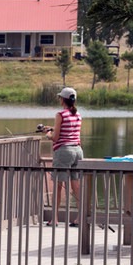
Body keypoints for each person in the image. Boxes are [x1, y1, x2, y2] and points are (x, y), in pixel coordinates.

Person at [37, 86, 83, 221]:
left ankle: (55, 218)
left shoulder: (60, 114)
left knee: (58, 184)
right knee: (76, 184)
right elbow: (68, 130)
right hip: (77, 151)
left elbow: (56, 138)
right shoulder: (78, 114)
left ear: (62, 99)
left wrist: (48, 134)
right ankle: (80, 216)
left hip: (64, 151)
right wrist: (52, 128)